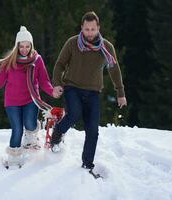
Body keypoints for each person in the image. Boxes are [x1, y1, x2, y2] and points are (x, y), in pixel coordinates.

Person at [0, 26, 62, 163]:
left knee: (29, 123)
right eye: (21, 46)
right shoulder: (10, 62)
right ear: (17, 46)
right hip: (12, 102)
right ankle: (13, 155)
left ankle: (31, 135)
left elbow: (44, 81)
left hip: (31, 99)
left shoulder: (37, 60)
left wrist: (52, 92)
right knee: (17, 129)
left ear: (31, 45)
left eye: (27, 46)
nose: (24, 49)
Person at [51, 11, 127, 170]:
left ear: (98, 28)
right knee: (74, 114)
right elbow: (60, 64)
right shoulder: (72, 43)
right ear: (82, 28)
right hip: (72, 87)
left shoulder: (106, 47)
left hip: (93, 92)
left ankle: (87, 164)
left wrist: (120, 93)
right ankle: (58, 132)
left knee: (92, 130)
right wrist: (57, 83)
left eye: (93, 29)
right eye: (87, 29)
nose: (90, 33)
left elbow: (114, 70)